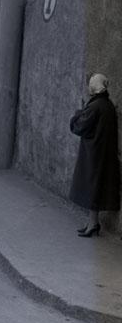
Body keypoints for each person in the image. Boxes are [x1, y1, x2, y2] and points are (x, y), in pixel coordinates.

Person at [69, 73, 120, 237]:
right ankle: (93, 223)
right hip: (103, 153)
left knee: (92, 189)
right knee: (96, 189)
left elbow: (79, 126)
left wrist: (78, 113)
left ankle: (92, 224)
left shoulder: (95, 106)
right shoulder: (108, 104)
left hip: (94, 154)